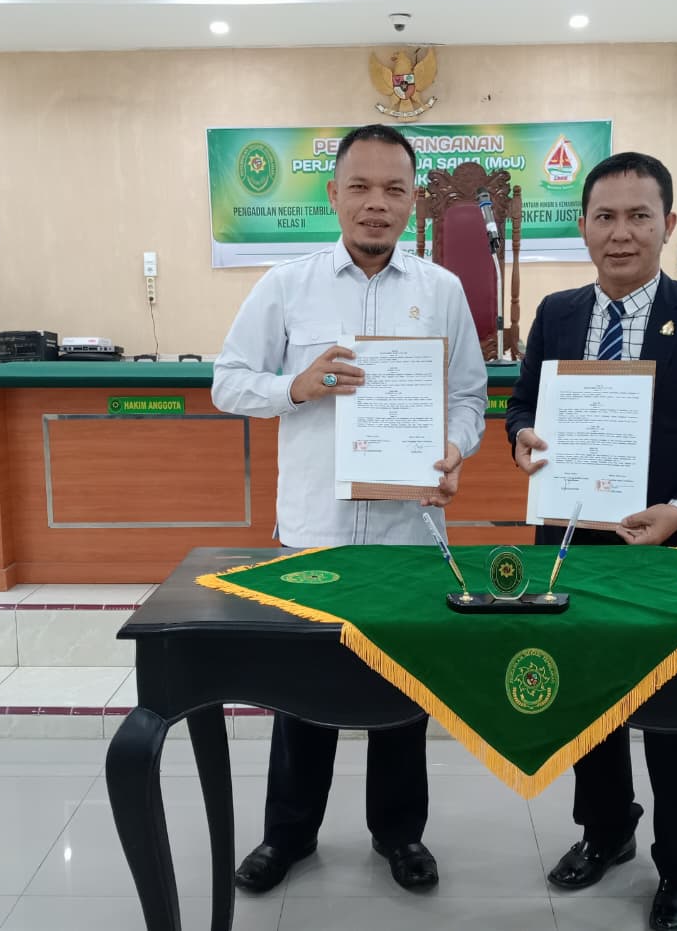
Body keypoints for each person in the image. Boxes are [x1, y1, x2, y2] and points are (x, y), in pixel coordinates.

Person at [212, 123, 488, 894]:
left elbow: (470, 396)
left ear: (413, 200)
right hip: (315, 533)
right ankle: (288, 834)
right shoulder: (286, 285)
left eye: (393, 189)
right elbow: (226, 381)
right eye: (360, 187)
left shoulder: (442, 291)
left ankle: (400, 833)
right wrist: (293, 387)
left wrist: (455, 447)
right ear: (333, 194)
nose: (376, 203)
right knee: (303, 693)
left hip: (408, 531)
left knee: (403, 688)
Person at [505, 152, 677, 931]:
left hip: (674, 548)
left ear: (667, 224)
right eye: (605, 217)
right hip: (574, 543)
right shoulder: (556, 313)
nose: (621, 233)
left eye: (639, 216)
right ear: (583, 226)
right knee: (590, 701)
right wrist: (521, 436)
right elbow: (523, 404)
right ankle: (606, 830)